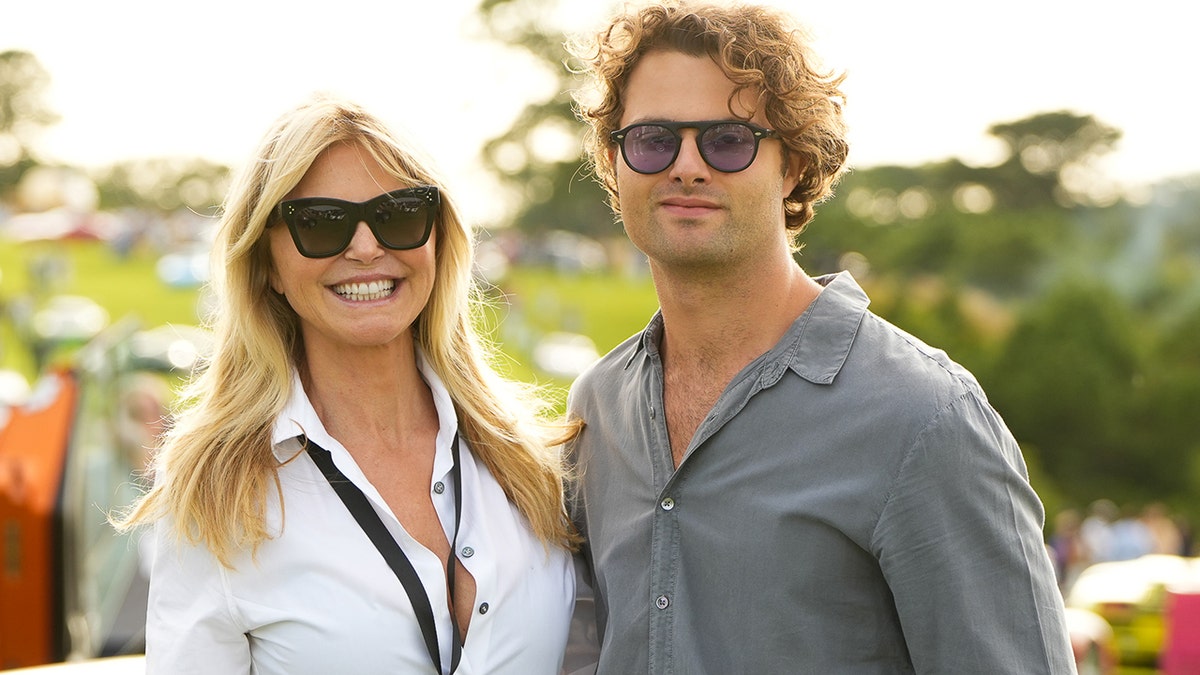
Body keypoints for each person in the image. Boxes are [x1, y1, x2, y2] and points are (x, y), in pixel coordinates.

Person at [563, 2, 1076, 672]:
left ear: (794, 166)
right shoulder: (597, 409)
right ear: (615, 161)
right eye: (655, 139)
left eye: (728, 139)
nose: (686, 166)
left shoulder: (923, 419)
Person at [114, 96, 580, 674]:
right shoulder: (217, 492)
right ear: (268, 267)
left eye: (401, 214)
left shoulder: (532, 463)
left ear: (438, 240)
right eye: (321, 222)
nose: (366, 248)